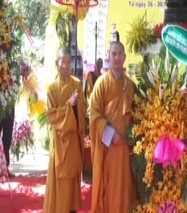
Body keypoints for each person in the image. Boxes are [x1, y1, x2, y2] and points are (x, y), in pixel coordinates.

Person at [89, 41, 136, 212]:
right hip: (109, 148)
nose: (116, 57)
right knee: (109, 190)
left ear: (125, 57)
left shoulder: (131, 86)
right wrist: (110, 134)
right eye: (113, 54)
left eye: (119, 54)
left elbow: (138, 116)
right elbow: (94, 115)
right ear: (108, 57)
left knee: (126, 188)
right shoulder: (101, 84)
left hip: (126, 148)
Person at [43, 48, 86, 213]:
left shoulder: (77, 84)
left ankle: (71, 209)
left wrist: (75, 106)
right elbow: (52, 116)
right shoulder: (52, 88)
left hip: (72, 140)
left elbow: (83, 109)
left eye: (68, 62)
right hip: (59, 142)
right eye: (63, 61)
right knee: (59, 181)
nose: (66, 65)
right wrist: (68, 104)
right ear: (57, 63)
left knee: (71, 181)